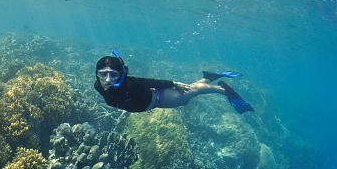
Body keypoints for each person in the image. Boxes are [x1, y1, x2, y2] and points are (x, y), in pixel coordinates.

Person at [94, 50, 253, 114]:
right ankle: (210, 76)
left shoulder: (130, 84)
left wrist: (174, 83)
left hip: (160, 98)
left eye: (113, 75)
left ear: (121, 74)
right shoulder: (98, 86)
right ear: (97, 74)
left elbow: (150, 81)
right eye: (103, 74)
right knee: (190, 91)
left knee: (190, 93)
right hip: (155, 99)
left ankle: (223, 89)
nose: (107, 80)